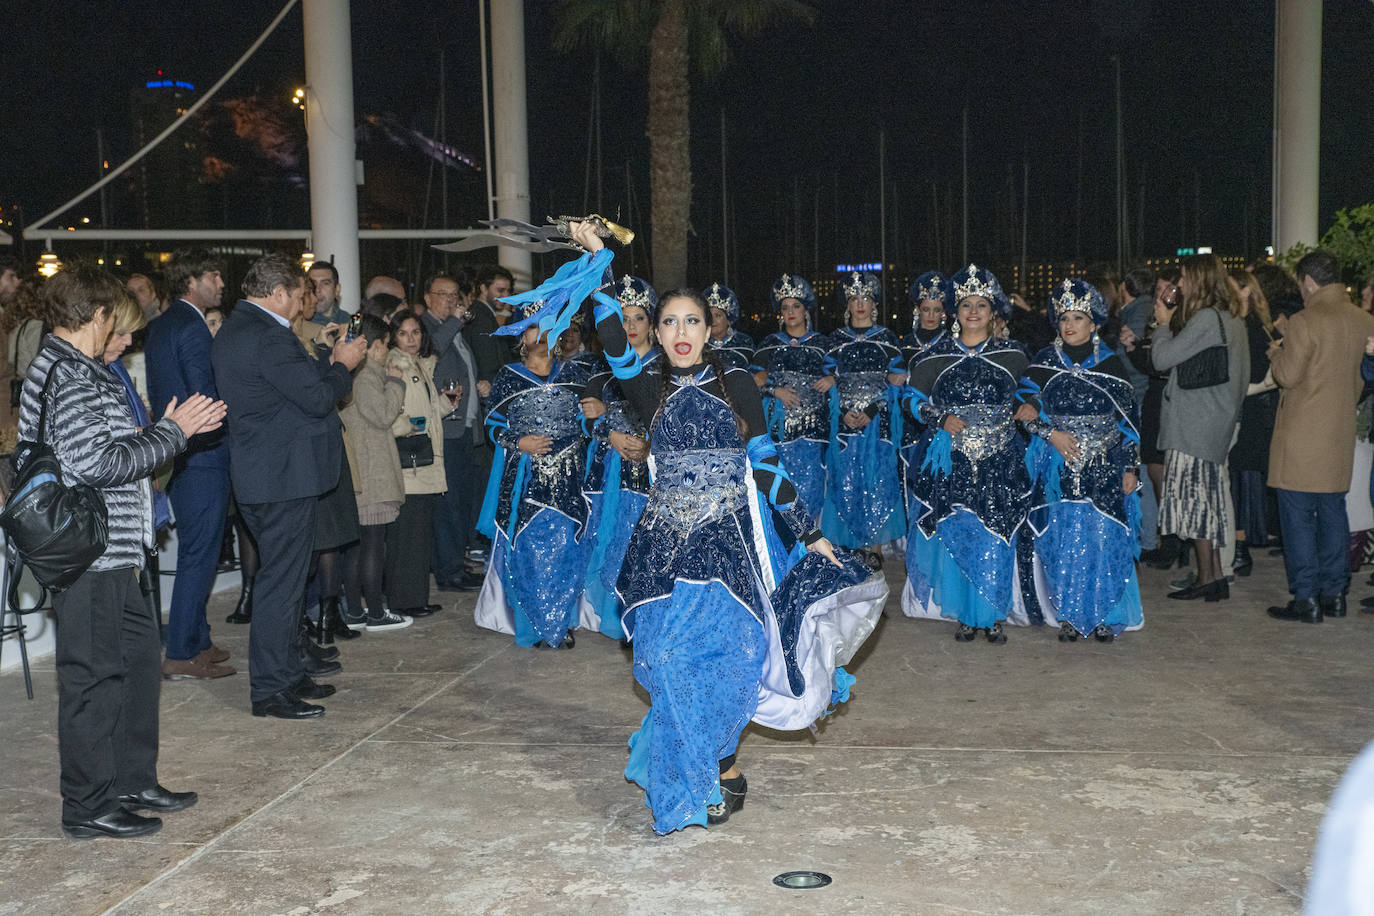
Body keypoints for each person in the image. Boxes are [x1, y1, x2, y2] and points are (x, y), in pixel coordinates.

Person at [535, 222, 883, 835]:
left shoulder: (738, 384)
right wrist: (601, 260)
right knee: (666, 662)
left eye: (690, 321)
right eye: (667, 322)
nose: (679, 333)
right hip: (663, 548)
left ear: (709, 327)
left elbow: (767, 464)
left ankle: (713, 768)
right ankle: (704, 769)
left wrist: (809, 534)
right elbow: (612, 327)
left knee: (729, 660)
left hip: (727, 547)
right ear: (655, 331)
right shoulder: (645, 385)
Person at [20, 263, 225, 839]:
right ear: (95, 313)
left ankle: (131, 780)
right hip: (88, 555)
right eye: (117, 318)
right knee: (92, 677)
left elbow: (104, 450)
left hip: (116, 551)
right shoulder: (69, 374)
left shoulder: (82, 368)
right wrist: (173, 433)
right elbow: (95, 464)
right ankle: (86, 806)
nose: (129, 335)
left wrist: (161, 430)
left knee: (135, 666)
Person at [212, 253, 366, 719]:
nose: (304, 304)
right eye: (300, 295)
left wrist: (322, 357)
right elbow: (319, 399)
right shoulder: (267, 336)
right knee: (280, 585)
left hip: (270, 476)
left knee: (287, 580)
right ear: (277, 293)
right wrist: (344, 363)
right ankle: (270, 689)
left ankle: (288, 673)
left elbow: (291, 392)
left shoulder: (241, 330)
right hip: (280, 478)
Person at [901, 264, 1031, 643]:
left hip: (1000, 460)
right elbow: (910, 399)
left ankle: (989, 613)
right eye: (966, 306)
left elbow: (1032, 391)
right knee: (958, 529)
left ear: (994, 313)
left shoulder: (1013, 354)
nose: (973, 313)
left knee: (995, 533)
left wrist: (1030, 407)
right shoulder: (934, 355)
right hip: (951, 460)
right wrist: (938, 417)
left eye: (982, 306)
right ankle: (962, 612)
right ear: (954, 312)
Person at [1019, 280, 1143, 642]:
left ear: (1094, 323)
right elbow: (1024, 413)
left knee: (1102, 539)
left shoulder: (1111, 363)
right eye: (1063, 318)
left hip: (1104, 467)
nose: (1069, 325)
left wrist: (1131, 466)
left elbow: (1129, 422)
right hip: (1057, 468)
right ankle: (1070, 615)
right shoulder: (1042, 363)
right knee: (1063, 540)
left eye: (1077, 317)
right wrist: (1050, 434)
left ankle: (1104, 613)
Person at [473, 308, 596, 648]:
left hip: (569, 476)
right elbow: (493, 426)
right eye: (532, 329)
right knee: (526, 547)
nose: (540, 335)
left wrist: (592, 426)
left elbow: (589, 421)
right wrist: (519, 442)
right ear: (521, 338)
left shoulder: (575, 373)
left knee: (566, 547)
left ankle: (561, 620)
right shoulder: (508, 377)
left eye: (547, 328)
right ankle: (531, 623)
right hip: (525, 478)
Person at [1266, 250, 1374, 623]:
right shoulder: (1363, 320)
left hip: (1301, 435)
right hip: (1339, 430)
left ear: (1308, 282)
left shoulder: (1304, 320)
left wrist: (1275, 354)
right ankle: (1335, 593)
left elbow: (1288, 376)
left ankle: (1305, 598)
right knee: (1332, 514)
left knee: (1297, 519)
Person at [144, 248, 235, 680]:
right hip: (202, 455)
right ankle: (181, 651)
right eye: (213, 275)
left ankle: (196, 637)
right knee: (200, 555)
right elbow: (205, 395)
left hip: (176, 453)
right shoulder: (194, 327)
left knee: (198, 551)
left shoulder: (162, 324)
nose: (220, 283)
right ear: (190, 281)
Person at [1151, 253, 1249, 602]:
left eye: (1183, 277)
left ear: (1200, 280)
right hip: (1213, 421)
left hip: (1197, 425)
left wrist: (1163, 322)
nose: (1179, 285)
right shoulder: (1230, 317)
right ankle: (1214, 577)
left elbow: (1161, 358)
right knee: (1204, 501)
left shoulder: (1207, 318)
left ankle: (1207, 578)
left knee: (1196, 503)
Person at [580, 275, 660, 639]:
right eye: (622, 318)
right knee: (611, 539)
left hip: (655, 475)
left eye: (638, 318)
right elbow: (579, 422)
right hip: (612, 475)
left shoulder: (667, 369)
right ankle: (614, 617)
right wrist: (606, 431)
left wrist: (649, 444)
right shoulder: (601, 373)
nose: (629, 326)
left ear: (652, 324)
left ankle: (647, 614)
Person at [821, 271, 905, 567]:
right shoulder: (834, 341)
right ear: (847, 304)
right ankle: (849, 549)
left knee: (877, 481)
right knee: (846, 482)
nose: (860, 304)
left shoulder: (888, 340)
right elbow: (826, 382)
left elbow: (897, 383)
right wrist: (843, 409)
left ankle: (875, 549)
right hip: (844, 426)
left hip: (876, 425)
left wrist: (872, 410)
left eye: (865, 299)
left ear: (874, 305)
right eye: (854, 298)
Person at [338, 314, 411, 630]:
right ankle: (376, 614)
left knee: (359, 547)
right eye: (385, 345)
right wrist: (396, 383)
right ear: (374, 345)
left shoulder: (353, 374)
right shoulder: (366, 376)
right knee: (372, 546)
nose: (387, 352)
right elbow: (382, 415)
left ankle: (355, 612)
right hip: (372, 475)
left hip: (363, 474)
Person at [753, 274, 831, 523]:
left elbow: (840, 374)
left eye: (796, 306)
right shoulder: (769, 345)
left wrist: (834, 380)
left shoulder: (822, 343)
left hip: (814, 430)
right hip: (780, 431)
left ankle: (812, 546)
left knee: (813, 487)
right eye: (785, 307)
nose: (790, 312)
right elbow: (749, 384)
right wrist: (774, 391)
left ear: (806, 310)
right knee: (782, 486)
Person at [423, 274, 484, 592]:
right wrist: (454, 323)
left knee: (460, 502)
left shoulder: (456, 329)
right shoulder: (427, 328)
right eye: (442, 294)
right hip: (443, 430)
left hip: (463, 427)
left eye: (454, 294)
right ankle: (447, 570)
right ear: (427, 299)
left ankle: (456, 563)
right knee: (447, 506)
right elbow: (431, 352)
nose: (450, 300)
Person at [384, 309, 447, 620]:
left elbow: (424, 408)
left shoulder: (421, 365)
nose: (411, 339)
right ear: (393, 337)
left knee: (420, 533)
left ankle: (415, 596)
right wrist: (408, 424)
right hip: (410, 461)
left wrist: (446, 404)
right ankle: (404, 600)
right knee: (408, 534)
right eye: (403, 333)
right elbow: (391, 410)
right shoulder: (394, 364)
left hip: (423, 458)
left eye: (416, 333)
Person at [1227, 268, 1280, 573]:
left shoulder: (1247, 327)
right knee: (1241, 479)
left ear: (1246, 291)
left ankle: (1240, 548)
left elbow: (1258, 373)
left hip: (1249, 411)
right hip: (1254, 409)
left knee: (1239, 479)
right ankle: (1240, 548)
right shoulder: (1258, 324)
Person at [890, 271, 953, 507]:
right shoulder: (904, 343)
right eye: (926, 309)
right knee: (910, 478)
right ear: (918, 310)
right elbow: (893, 377)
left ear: (944, 313)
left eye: (937, 310)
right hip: (910, 421)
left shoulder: (951, 344)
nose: (931, 315)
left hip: (943, 422)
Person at [704, 282, 754, 370]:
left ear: (728, 320)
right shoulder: (699, 344)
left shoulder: (744, 343)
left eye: (718, 315)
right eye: (709, 316)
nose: (712, 320)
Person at [306, 261, 350, 325]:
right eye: (313, 284)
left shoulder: (347, 321)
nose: (317, 289)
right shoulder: (299, 325)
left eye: (325, 283)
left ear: (337, 289)